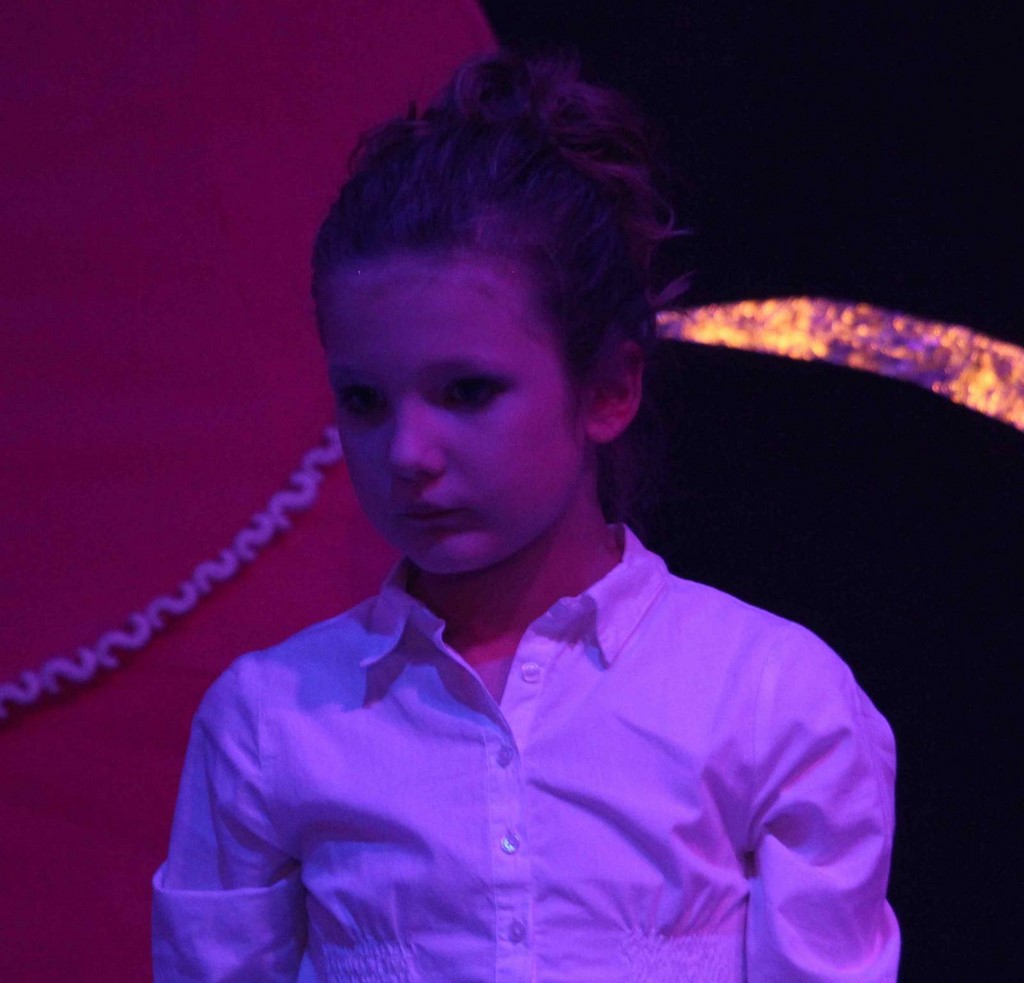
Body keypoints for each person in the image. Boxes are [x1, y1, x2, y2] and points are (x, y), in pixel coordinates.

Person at [152, 50, 899, 982]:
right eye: (366, 401)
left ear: (610, 387)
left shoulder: (768, 695)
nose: (409, 452)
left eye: (467, 391)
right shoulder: (271, 720)